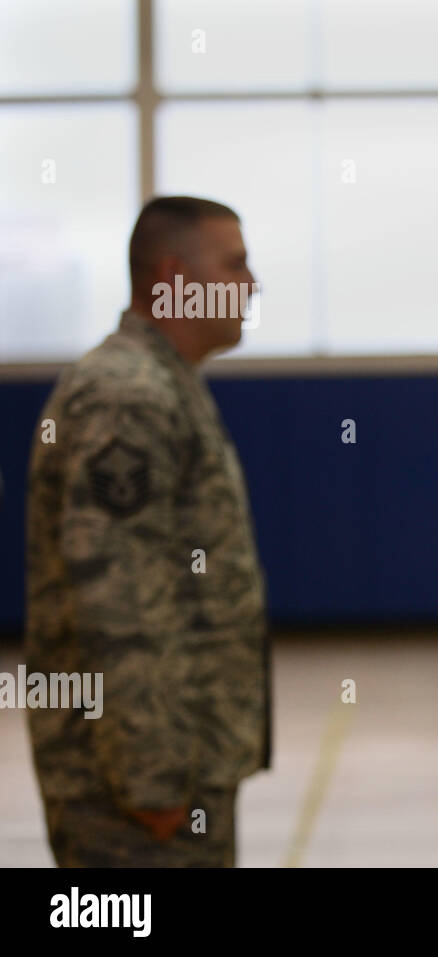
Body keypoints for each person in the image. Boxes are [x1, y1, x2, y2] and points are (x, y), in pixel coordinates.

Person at [25, 196, 269, 867]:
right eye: (236, 266)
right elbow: (117, 597)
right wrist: (150, 775)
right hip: (132, 795)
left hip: (178, 766)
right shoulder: (126, 395)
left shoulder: (162, 382)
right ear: (175, 278)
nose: (253, 285)